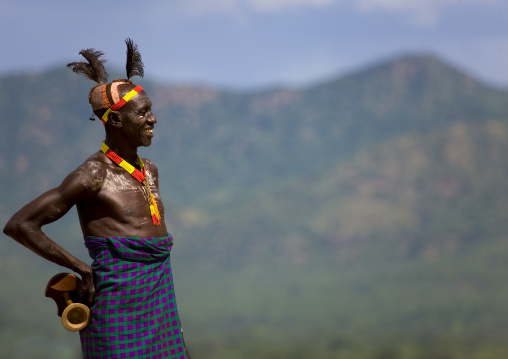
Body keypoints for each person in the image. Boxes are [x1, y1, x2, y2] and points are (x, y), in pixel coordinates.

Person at [3, 39, 191, 359]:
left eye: (151, 111)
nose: (153, 119)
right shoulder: (93, 175)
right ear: (116, 120)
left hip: (161, 310)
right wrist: (83, 270)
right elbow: (21, 225)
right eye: (143, 113)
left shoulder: (150, 171)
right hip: (116, 313)